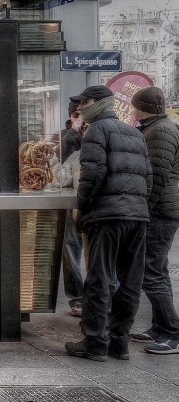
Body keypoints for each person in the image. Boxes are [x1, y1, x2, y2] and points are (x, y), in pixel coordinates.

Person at [65, 85, 151, 362]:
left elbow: (92, 175)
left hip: (107, 215)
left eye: (85, 101)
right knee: (130, 282)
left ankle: (94, 341)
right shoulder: (134, 133)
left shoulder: (97, 131)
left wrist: (84, 208)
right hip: (137, 216)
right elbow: (148, 177)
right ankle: (120, 342)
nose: (81, 107)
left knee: (99, 278)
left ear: (101, 103)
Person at [129, 87, 179, 354]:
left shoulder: (160, 131)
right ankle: (160, 327)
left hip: (159, 212)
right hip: (161, 209)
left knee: (151, 272)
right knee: (157, 270)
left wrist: (143, 210)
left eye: (135, 105)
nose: (133, 110)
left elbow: (156, 177)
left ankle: (172, 332)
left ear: (142, 106)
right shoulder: (156, 127)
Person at [60, 104, 86, 317]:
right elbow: (61, 176)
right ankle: (77, 296)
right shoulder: (72, 145)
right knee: (71, 248)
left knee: (102, 257)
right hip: (78, 207)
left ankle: (106, 299)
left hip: (100, 208)